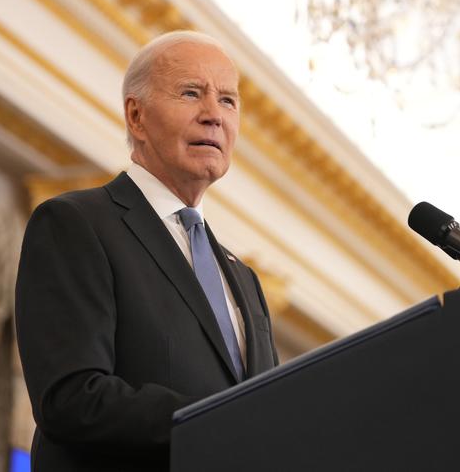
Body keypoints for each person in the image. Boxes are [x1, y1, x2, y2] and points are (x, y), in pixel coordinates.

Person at [15, 31, 279, 472]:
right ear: (136, 117)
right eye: (191, 93)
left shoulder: (245, 280)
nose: (214, 115)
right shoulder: (76, 223)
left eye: (228, 101)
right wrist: (217, 424)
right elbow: (70, 397)